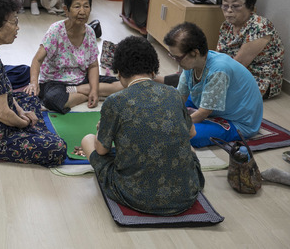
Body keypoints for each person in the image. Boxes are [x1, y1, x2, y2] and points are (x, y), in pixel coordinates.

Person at [80, 36, 204, 216]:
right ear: (154, 71)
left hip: (134, 195)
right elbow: (191, 133)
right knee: (187, 146)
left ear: (119, 73)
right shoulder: (173, 94)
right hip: (186, 192)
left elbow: (101, 151)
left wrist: (103, 130)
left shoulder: (115, 101)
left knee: (88, 140)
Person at [0, 0, 67, 167]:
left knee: (29, 97)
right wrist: (23, 123)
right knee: (57, 148)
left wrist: (19, 110)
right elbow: (1, 113)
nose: (17, 27)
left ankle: (35, 127)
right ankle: (35, 129)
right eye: (14, 22)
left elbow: (5, 89)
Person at [164, 22, 263, 147]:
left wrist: (173, 123)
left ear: (194, 53)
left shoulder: (218, 70)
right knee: (170, 104)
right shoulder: (192, 63)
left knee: (190, 135)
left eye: (177, 57)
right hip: (215, 107)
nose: (176, 61)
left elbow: (203, 113)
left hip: (237, 121)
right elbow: (180, 97)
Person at [24, 0, 121, 113]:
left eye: (86, 6)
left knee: (123, 84)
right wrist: (33, 83)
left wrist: (94, 90)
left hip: (81, 79)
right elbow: (37, 59)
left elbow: (92, 65)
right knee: (51, 99)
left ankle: (81, 90)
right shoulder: (56, 31)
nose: (82, 11)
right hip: (56, 82)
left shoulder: (90, 32)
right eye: (77, 6)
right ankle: (85, 93)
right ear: (66, 10)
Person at [217, 0, 284, 98]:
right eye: (225, 5)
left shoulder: (260, 26)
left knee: (212, 93)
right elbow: (219, 57)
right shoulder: (226, 26)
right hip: (232, 74)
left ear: (250, 6)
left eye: (236, 6)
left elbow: (238, 65)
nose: (229, 10)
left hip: (259, 80)